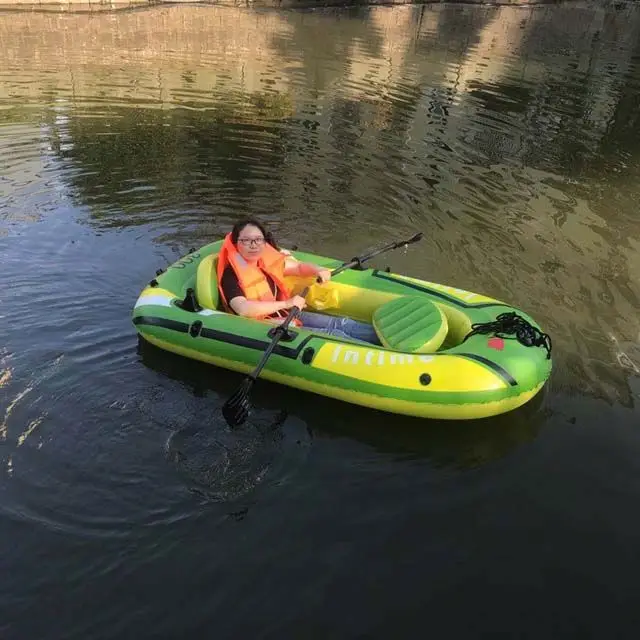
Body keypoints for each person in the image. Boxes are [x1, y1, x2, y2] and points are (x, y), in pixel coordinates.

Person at [216, 218, 381, 345]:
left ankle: (390, 341)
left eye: (258, 239)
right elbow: (243, 308)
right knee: (336, 336)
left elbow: (299, 268)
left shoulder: (265, 261)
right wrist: (287, 303)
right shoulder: (231, 276)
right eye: (246, 240)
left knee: (341, 323)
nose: (253, 245)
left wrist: (318, 270)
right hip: (264, 326)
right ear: (236, 244)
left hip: (285, 314)